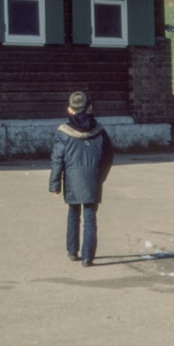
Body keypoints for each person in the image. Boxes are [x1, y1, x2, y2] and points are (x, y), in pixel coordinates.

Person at [49, 92, 114, 267]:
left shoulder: (63, 132)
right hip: (93, 178)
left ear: (70, 109)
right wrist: (100, 177)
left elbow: (57, 160)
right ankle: (88, 257)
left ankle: (72, 250)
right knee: (90, 217)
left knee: (73, 213)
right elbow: (108, 157)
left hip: (72, 179)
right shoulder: (100, 131)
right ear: (89, 107)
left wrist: (55, 184)